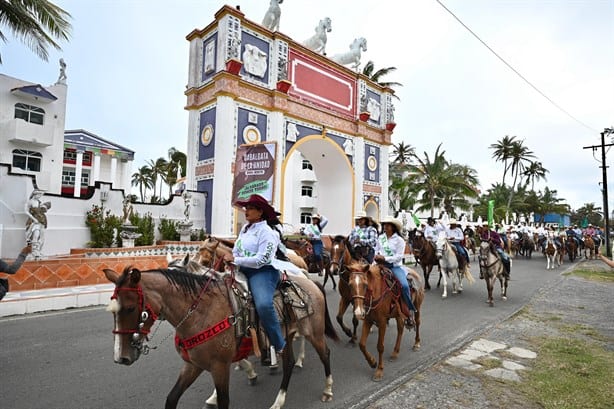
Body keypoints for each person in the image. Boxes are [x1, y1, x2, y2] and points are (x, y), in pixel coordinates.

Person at [223, 194, 286, 360]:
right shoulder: (245, 229)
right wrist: (232, 260)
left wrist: (235, 259)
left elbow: (262, 259)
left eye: (250, 208)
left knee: (264, 305)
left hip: (263, 272)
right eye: (246, 208)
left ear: (260, 212)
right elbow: (236, 250)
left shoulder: (267, 232)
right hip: (242, 269)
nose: (246, 211)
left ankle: (279, 344)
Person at [374, 216, 416, 329]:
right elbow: (376, 249)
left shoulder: (399, 240)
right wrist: (376, 256)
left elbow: (399, 257)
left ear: (393, 227)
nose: (385, 227)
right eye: (384, 225)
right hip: (379, 265)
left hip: (394, 267)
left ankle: (409, 311)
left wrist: (385, 258)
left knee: (404, 285)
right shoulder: (381, 237)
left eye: (388, 225)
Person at [25, 189, 50, 259]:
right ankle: (33, 251)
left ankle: (38, 250)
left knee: (42, 237)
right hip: (34, 221)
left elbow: (42, 210)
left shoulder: (39, 202)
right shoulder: (30, 202)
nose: (39, 197)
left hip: (41, 221)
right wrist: (33, 219)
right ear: (35, 194)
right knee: (35, 235)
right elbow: (26, 211)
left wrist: (45, 208)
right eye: (39, 195)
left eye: (40, 195)